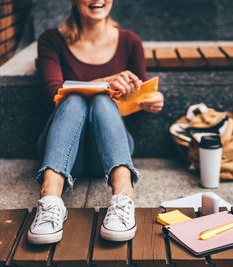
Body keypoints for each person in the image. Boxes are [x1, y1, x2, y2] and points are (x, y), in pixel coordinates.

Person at [27, 0, 164, 244]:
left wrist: (150, 101)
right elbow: (54, 93)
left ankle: (123, 196)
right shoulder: (52, 40)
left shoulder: (130, 41)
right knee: (74, 99)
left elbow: (138, 94)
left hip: (108, 157)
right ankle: (49, 198)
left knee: (103, 102)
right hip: (66, 155)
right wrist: (105, 83)